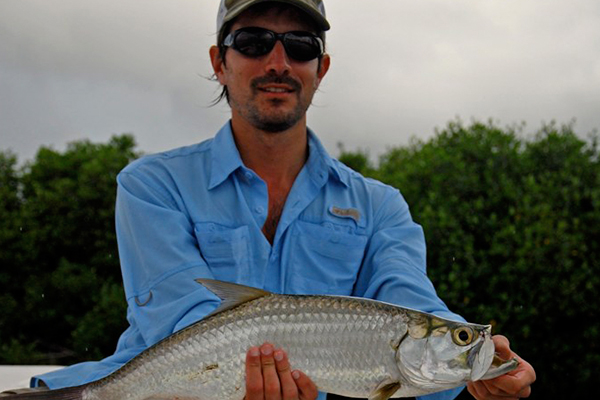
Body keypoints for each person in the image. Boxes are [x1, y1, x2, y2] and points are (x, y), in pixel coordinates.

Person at [33, 1, 536, 399]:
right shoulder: (150, 185)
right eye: (252, 42)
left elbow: (410, 305)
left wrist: (475, 369)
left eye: (299, 45)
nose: (278, 63)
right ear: (218, 61)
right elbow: (178, 322)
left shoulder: (383, 206)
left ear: (322, 67)